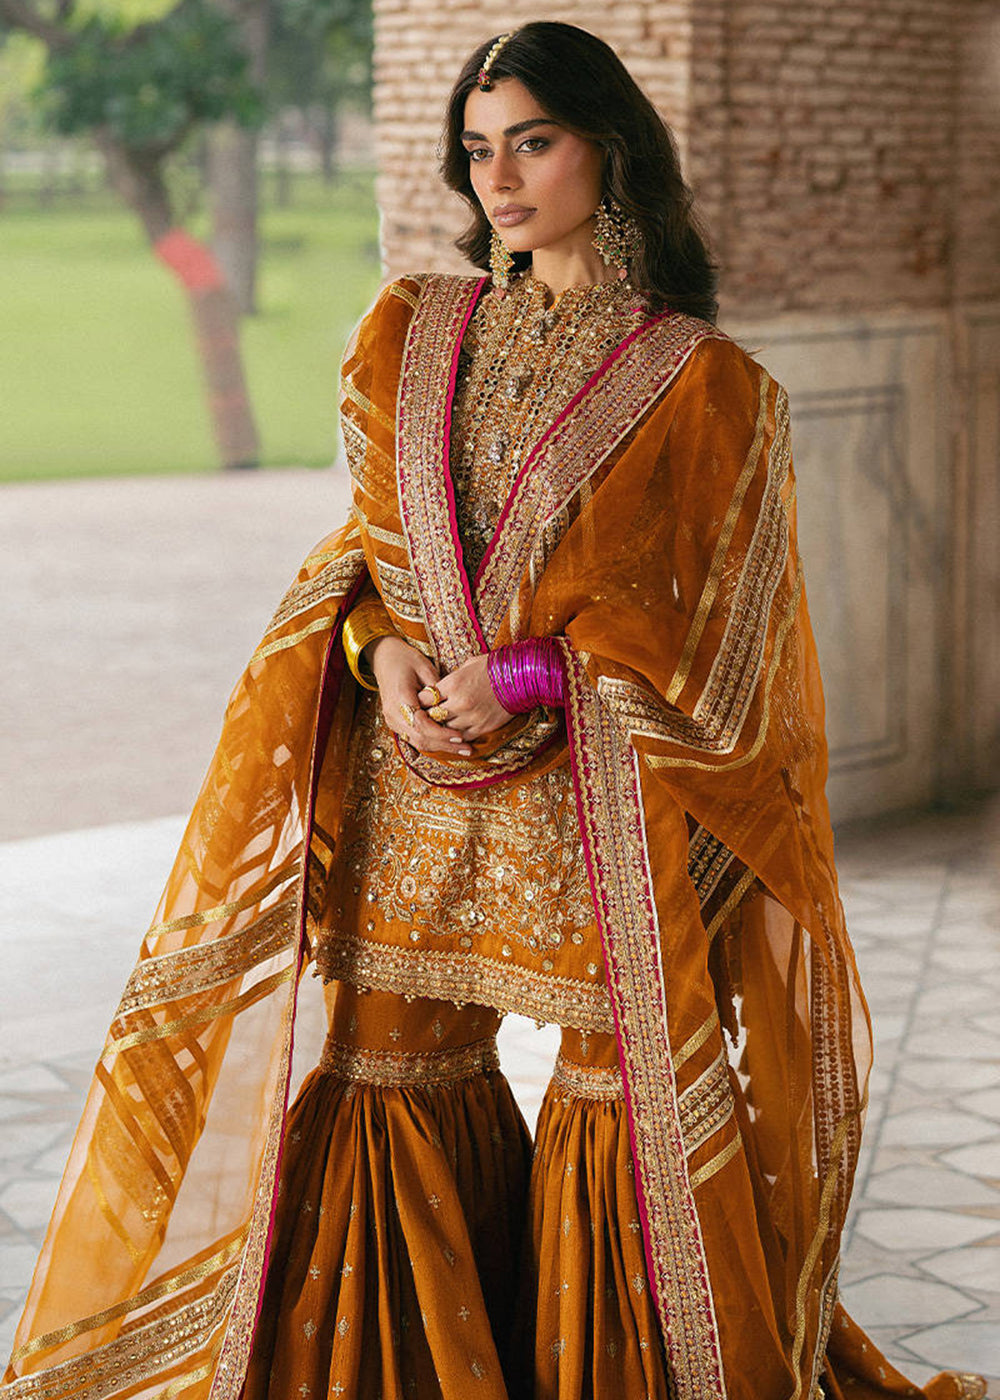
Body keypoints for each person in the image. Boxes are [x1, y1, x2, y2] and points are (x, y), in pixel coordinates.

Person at [0, 21, 988, 1400]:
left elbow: (725, 648)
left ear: (611, 149)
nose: (501, 180)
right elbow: (360, 561)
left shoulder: (702, 384)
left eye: (534, 142)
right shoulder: (411, 331)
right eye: (478, 150)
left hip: (598, 799)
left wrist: (533, 676)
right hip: (412, 772)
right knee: (385, 1070)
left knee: (617, 1099)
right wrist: (378, 654)